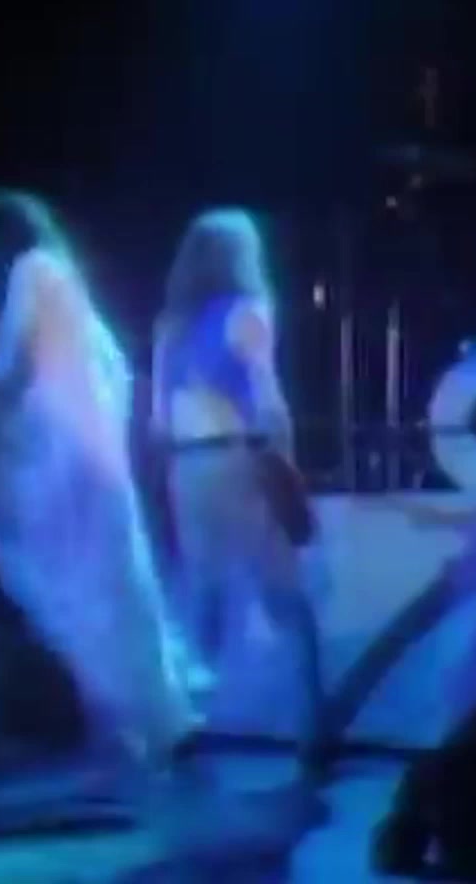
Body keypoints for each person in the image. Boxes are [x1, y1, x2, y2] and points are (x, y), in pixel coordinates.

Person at [0, 189, 198, 780]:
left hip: (62, 486)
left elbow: (9, 378)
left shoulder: (35, 275)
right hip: (85, 480)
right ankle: (128, 738)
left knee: (61, 596)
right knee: (91, 601)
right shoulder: (68, 290)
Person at [152, 208, 331, 776]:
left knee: (201, 596)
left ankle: (181, 723)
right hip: (240, 456)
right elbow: (266, 396)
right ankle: (312, 728)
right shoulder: (248, 311)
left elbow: (157, 421)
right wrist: (286, 463)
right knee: (284, 594)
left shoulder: (170, 326)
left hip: (188, 467)